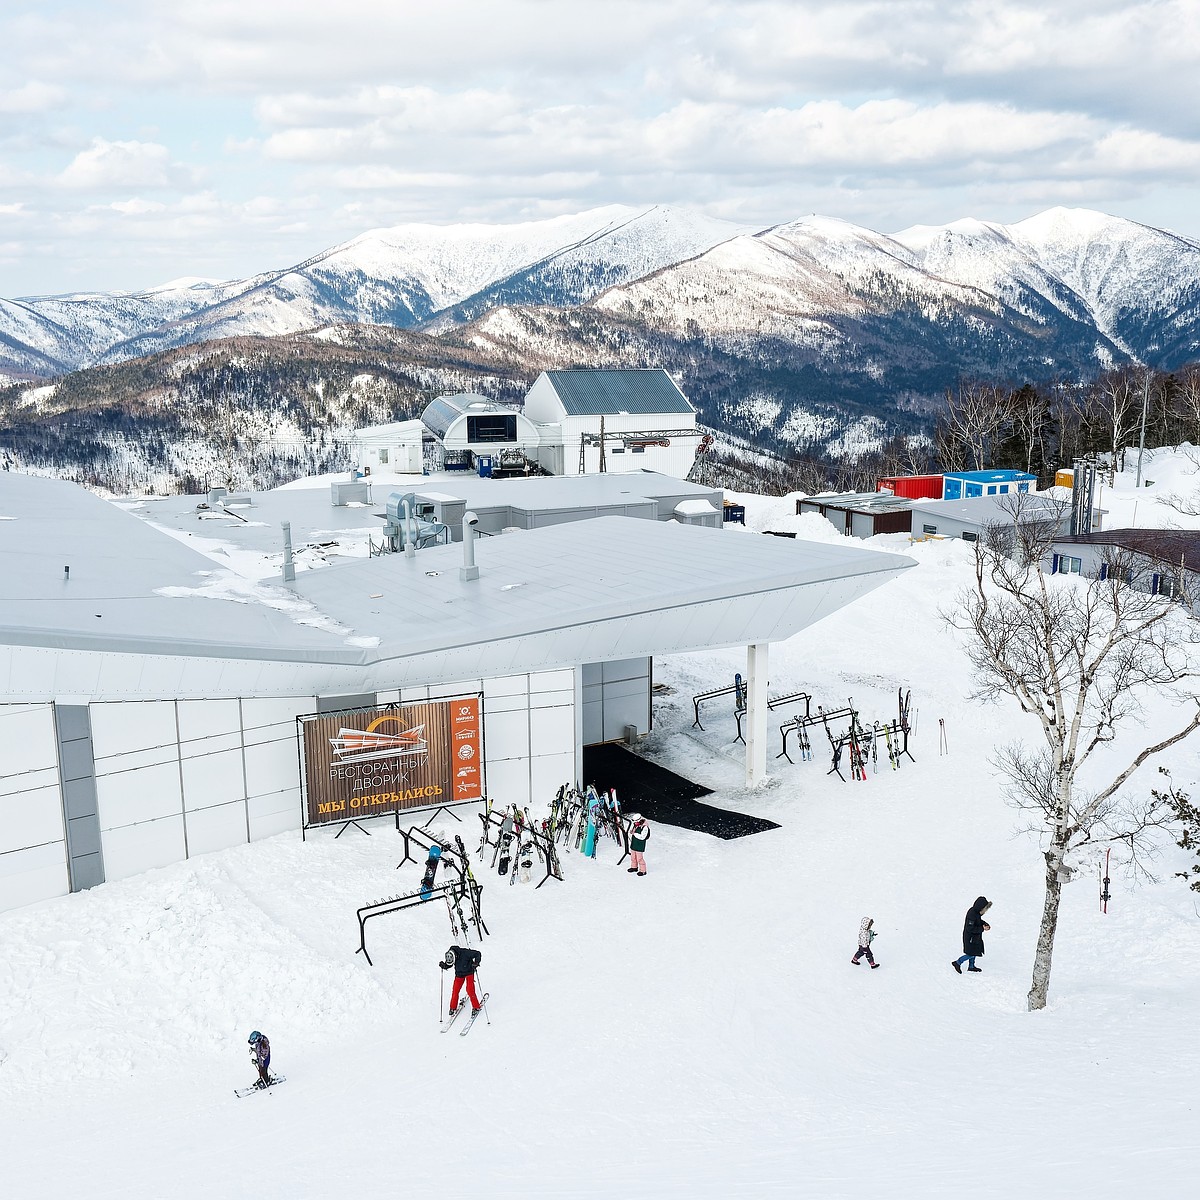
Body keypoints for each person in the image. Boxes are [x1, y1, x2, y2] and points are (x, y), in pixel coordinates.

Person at [952, 897, 992, 973]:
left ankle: (971, 966)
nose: (985, 911)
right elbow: (970, 928)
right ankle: (957, 962)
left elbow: (978, 921)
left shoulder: (976, 913)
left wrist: (984, 924)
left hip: (974, 938)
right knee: (971, 953)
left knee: (975, 951)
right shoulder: (972, 914)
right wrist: (982, 928)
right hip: (970, 938)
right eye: (984, 909)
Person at [440, 944, 483, 1014]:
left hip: (469, 972)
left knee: (470, 990)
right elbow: (450, 963)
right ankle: (452, 1008)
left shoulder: (465, 953)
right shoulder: (451, 955)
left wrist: (476, 962)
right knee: (455, 990)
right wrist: (444, 966)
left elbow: (478, 953)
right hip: (459, 974)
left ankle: (476, 1007)